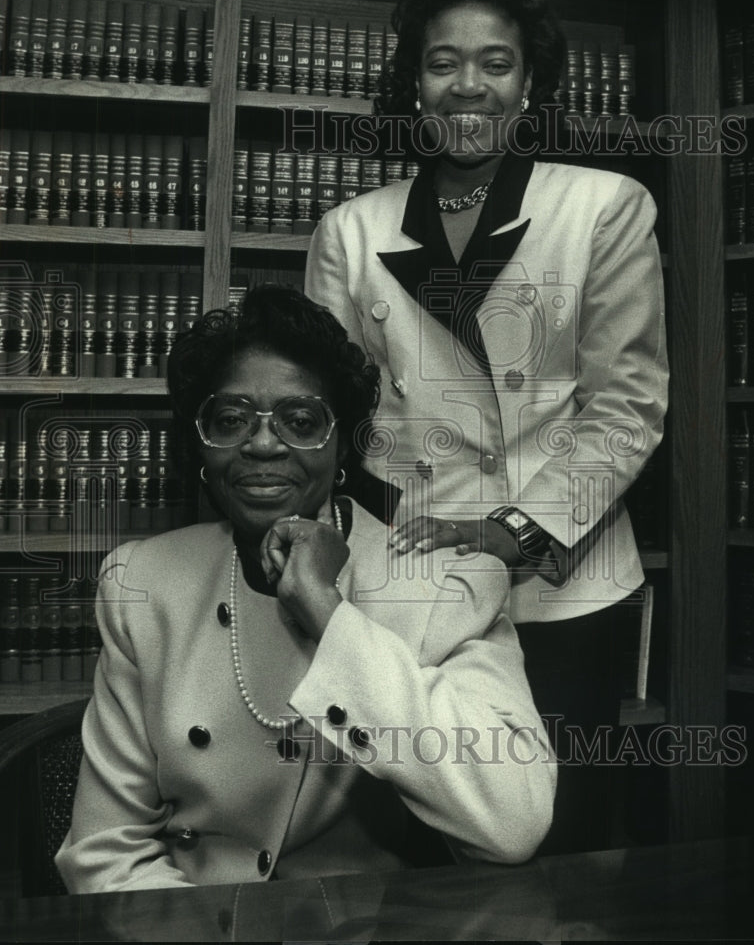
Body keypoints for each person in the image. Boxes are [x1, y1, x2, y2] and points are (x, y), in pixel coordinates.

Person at [304, 0, 668, 853]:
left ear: (531, 80)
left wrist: (515, 533)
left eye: (495, 63)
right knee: (423, 840)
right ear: (414, 85)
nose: (470, 86)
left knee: (558, 844)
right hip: (410, 583)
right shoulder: (350, 232)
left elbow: (627, 409)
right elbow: (326, 424)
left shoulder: (605, 208)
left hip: (563, 585)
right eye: (443, 63)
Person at [55, 285, 557, 893]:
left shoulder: (444, 582)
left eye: (300, 421)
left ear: (343, 443)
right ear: (203, 443)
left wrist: (330, 613)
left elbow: (514, 821)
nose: (263, 444)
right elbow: (105, 852)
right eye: (231, 419)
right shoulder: (142, 583)